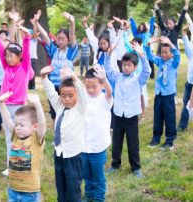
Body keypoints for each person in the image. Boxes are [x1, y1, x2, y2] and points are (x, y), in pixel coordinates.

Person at [0, 11, 34, 176]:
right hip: (6, 107)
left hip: (19, 106)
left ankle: (21, 165)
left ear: (20, 57)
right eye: (6, 56)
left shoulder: (24, 66)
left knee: (21, 135)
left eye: (11, 56)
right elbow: (0, 49)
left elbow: (27, 50)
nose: (8, 58)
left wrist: (26, 37)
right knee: (9, 137)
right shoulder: (6, 66)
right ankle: (11, 166)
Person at [104, 42, 151, 178]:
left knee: (132, 143)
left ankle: (135, 167)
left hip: (131, 117)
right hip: (118, 115)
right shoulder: (117, 77)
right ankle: (115, 164)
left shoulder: (138, 79)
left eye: (129, 65)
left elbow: (147, 71)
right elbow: (108, 70)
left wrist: (142, 55)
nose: (126, 67)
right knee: (117, 141)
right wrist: (108, 55)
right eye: (124, 65)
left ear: (135, 67)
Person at [41, 66, 87, 202]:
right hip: (59, 153)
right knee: (61, 186)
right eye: (63, 96)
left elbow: (83, 93)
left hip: (73, 156)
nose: (66, 99)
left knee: (73, 189)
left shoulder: (80, 108)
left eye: (70, 96)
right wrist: (44, 78)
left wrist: (74, 78)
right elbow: (51, 93)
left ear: (77, 96)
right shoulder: (59, 106)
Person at [0, 92, 46, 202]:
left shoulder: (36, 139)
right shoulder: (15, 135)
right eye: (17, 124)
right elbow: (7, 120)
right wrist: (1, 103)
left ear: (34, 126)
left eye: (22, 125)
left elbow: (42, 124)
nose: (18, 127)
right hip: (13, 189)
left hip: (30, 192)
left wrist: (38, 105)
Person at [35, 10, 79, 121]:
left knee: (67, 110)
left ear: (67, 40)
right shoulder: (53, 51)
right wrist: (36, 22)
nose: (60, 41)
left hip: (66, 86)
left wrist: (72, 22)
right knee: (55, 112)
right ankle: (57, 133)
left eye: (63, 39)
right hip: (53, 86)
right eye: (58, 39)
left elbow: (73, 35)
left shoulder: (70, 52)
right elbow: (45, 36)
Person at [82, 67, 112, 202]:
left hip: (98, 147)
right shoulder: (83, 98)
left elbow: (110, 92)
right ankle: (89, 195)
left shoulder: (104, 99)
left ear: (101, 85)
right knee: (87, 176)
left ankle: (99, 198)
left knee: (98, 177)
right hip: (83, 147)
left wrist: (104, 78)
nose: (90, 90)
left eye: (94, 86)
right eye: (87, 86)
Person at [146, 37, 180, 150]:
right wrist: (148, 44)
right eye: (162, 52)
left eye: (166, 52)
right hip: (159, 94)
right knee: (158, 117)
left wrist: (170, 42)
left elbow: (178, 54)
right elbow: (150, 56)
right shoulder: (160, 61)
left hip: (169, 95)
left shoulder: (174, 63)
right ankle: (156, 138)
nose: (163, 54)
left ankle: (170, 141)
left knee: (169, 118)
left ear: (171, 54)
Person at [177, 25, 193, 131]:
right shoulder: (191, 53)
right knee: (186, 102)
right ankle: (182, 125)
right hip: (190, 82)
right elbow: (186, 43)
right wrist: (183, 32)